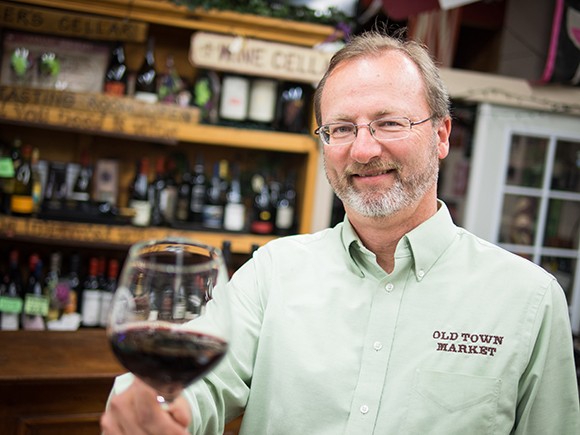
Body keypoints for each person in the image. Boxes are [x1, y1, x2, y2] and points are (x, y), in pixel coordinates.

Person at [101, 30, 580, 435]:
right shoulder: (274, 271)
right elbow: (197, 375)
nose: (364, 149)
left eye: (389, 122)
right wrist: (157, 406)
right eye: (342, 128)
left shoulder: (529, 300)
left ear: (441, 135)